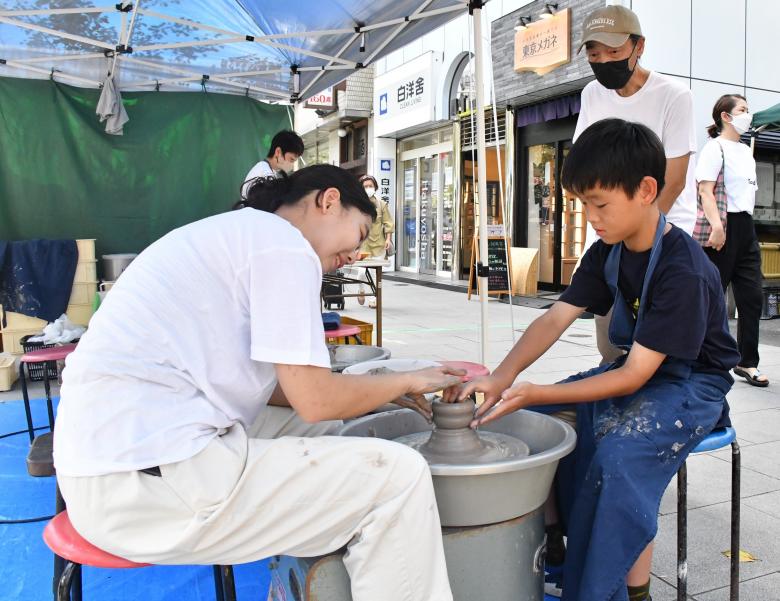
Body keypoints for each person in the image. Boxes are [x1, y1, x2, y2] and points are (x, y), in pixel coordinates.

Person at [53, 164, 464, 601]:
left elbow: (281, 392)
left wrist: (382, 394)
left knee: (339, 434)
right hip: (143, 488)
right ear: (328, 201)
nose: (356, 254)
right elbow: (315, 398)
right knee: (398, 479)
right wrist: (408, 377)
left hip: (106, 469)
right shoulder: (284, 246)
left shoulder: (243, 235)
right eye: (359, 234)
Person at [450, 119, 739, 601]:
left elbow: (634, 376)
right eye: (582, 204)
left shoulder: (682, 266)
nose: (590, 216)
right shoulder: (607, 249)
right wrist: (504, 378)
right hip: (639, 369)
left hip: (692, 384)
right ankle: (558, 548)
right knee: (526, 421)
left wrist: (540, 388)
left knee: (616, 457)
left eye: (599, 203)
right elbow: (555, 317)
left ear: (647, 190)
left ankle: (623, 590)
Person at [574, 5, 698, 365]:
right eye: (594, 54)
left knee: (660, 347)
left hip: (663, 233)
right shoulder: (592, 95)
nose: (603, 61)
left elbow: (673, 182)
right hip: (612, 235)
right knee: (611, 341)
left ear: (638, 46)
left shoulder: (674, 96)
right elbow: (586, 164)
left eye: (613, 52)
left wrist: (638, 239)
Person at [696, 94, 767, 386]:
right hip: (724, 225)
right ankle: (704, 359)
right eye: (742, 110)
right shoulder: (715, 149)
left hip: (746, 227)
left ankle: (746, 362)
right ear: (726, 116)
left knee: (752, 297)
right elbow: (705, 191)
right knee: (713, 298)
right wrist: (716, 226)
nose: (747, 115)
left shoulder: (745, 152)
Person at [355, 174, 394, 308]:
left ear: (375, 187)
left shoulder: (382, 204)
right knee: (361, 272)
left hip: (379, 244)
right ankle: (361, 289)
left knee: (375, 274)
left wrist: (388, 239)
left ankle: (373, 298)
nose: (368, 188)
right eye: (365, 186)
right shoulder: (357, 205)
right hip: (363, 245)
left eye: (370, 186)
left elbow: (388, 223)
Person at [241, 129, 304, 196]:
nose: (292, 164)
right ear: (278, 152)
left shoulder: (266, 168)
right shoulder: (265, 173)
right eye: (291, 159)